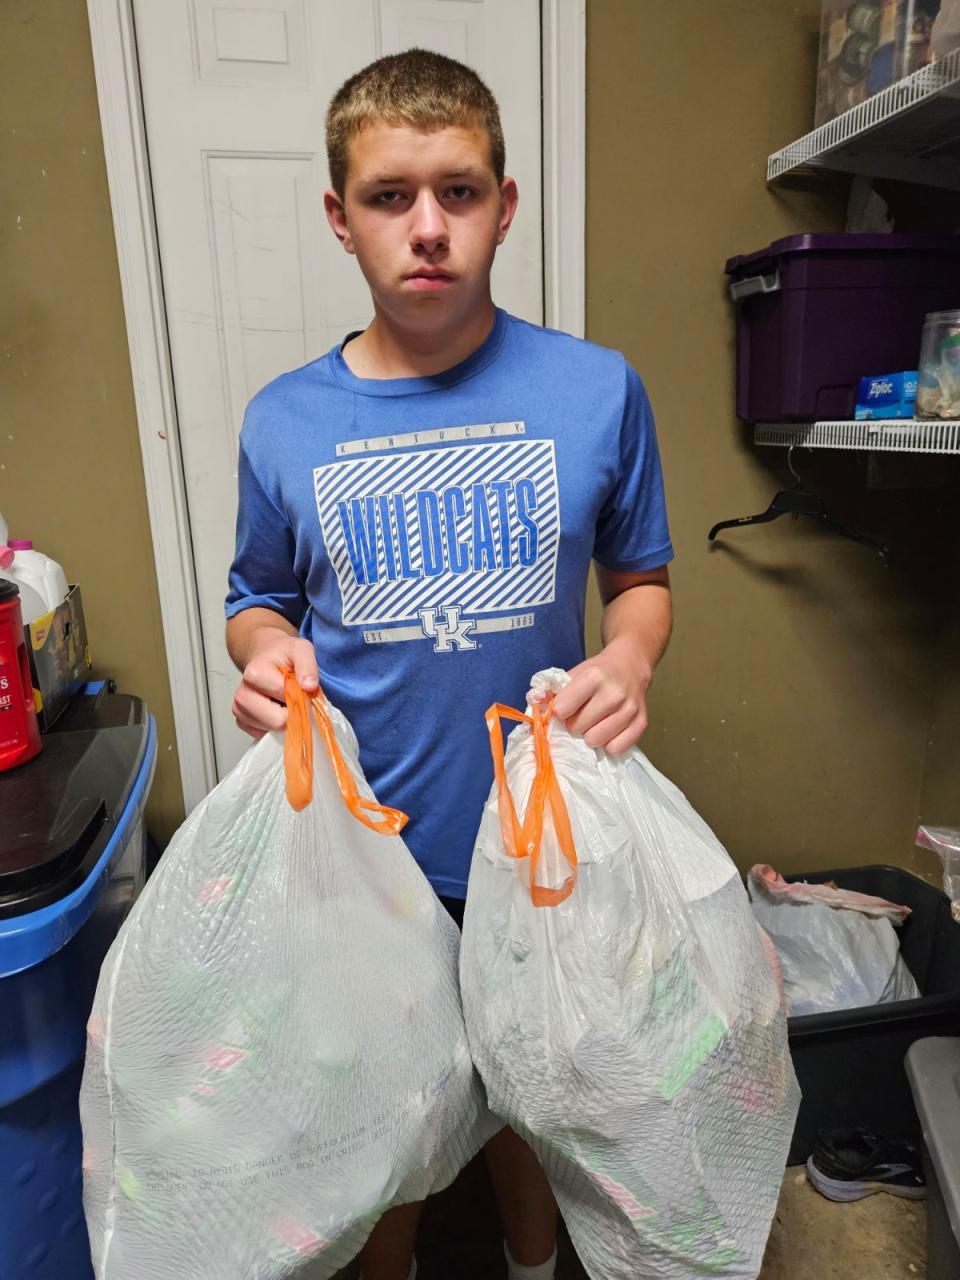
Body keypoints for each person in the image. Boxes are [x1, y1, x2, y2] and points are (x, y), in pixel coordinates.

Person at [225, 48, 673, 1280]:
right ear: (340, 216)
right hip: (361, 853)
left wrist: (631, 654)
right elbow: (256, 598)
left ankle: (533, 1267)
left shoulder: (597, 390)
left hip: (538, 841)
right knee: (379, 1127)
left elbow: (641, 577)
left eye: (459, 192)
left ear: (504, 204)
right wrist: (265, 652)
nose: (427, 227)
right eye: (389, 196)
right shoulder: (283, 419)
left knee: (539, 1101)